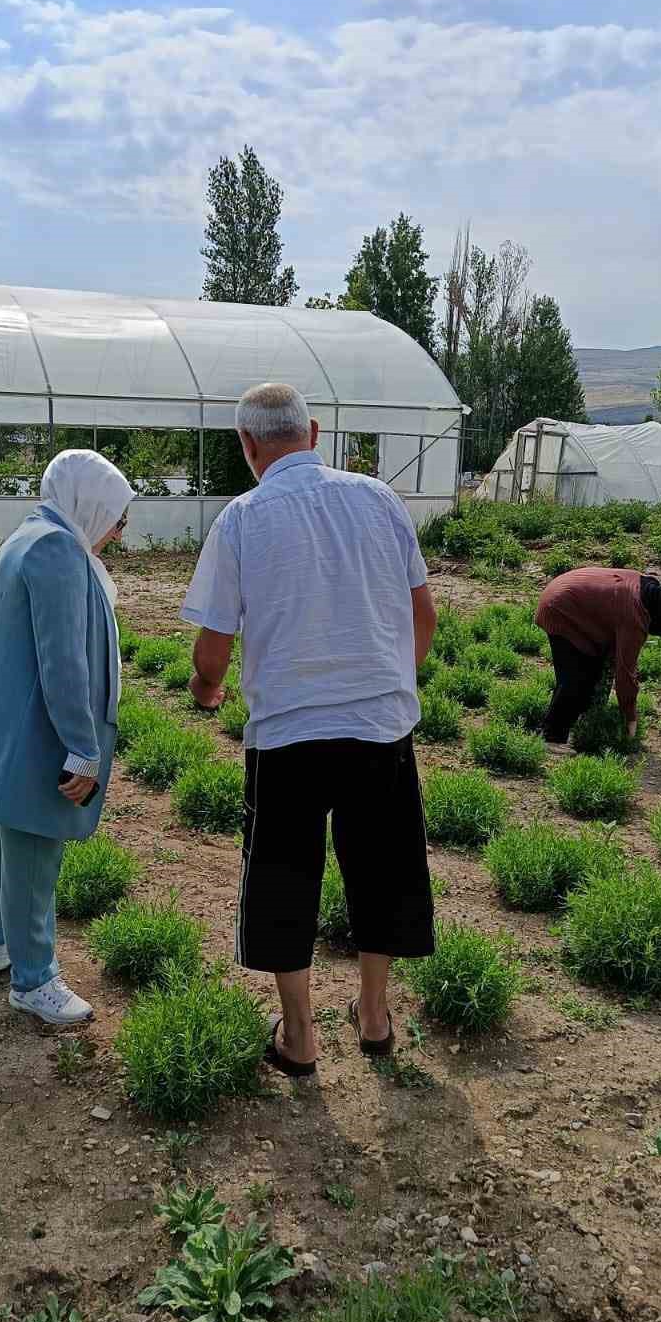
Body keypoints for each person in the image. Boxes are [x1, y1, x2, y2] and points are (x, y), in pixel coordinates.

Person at [180, 382, 438, 1076]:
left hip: (290, 733)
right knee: (381, 869)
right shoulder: (380, 500)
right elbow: (424, 620)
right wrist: (388, 680)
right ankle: (376, 1017)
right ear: (315, 433)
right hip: (379, 726)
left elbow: (213, 650)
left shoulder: (241, 519)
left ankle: (299, 1037)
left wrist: (207, 690)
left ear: (247, 444)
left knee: (284, 877)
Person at [0, 450, 135, 1026]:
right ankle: (34, 980)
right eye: (118, 517)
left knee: (8, 838)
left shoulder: (31, 534)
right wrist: (83, 747)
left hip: (3, 719)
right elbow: (63, 662)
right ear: (91, 503)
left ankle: (1, 941)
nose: (119, 532)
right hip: (33, 727)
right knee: (34, 847)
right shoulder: (57, 550)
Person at [535, 566, 661, 744]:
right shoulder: (634, 615)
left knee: (592, 672)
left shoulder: (645, 588)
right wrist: (630, 718)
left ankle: (581, 726)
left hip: (568, 594)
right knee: (576, 679)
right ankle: (551, 735)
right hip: (559, 607)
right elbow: (625, 674)